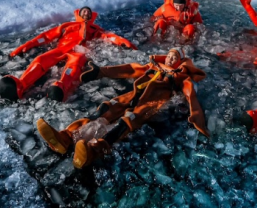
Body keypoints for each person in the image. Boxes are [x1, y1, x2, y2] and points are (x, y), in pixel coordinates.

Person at [35, 48, 209, 169]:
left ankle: (93, 151)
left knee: (125, 123)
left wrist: (196, 115)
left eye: (175, 57)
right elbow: (130, 69)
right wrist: (101, 71)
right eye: (170, 55)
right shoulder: (154, 66)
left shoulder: (181, 77)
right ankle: (66, 138)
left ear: (180, 61)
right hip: (131, 97)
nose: (171, 58)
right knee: (105, 110)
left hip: (149, 105)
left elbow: (190, 95)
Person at [0, 7, 136, 102]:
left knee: (74, 67)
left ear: (92, 15)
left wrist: (122, 41)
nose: (86, 13)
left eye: (88, 12)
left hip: (79, 52)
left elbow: (109, 36)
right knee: (40, 59)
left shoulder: (95, 29)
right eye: (84, 11)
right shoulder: (67, 26)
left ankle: (62, 88)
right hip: (61, 49)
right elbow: (46, 36)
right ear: (79, 14)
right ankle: (20, 85)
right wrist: (26, 45)